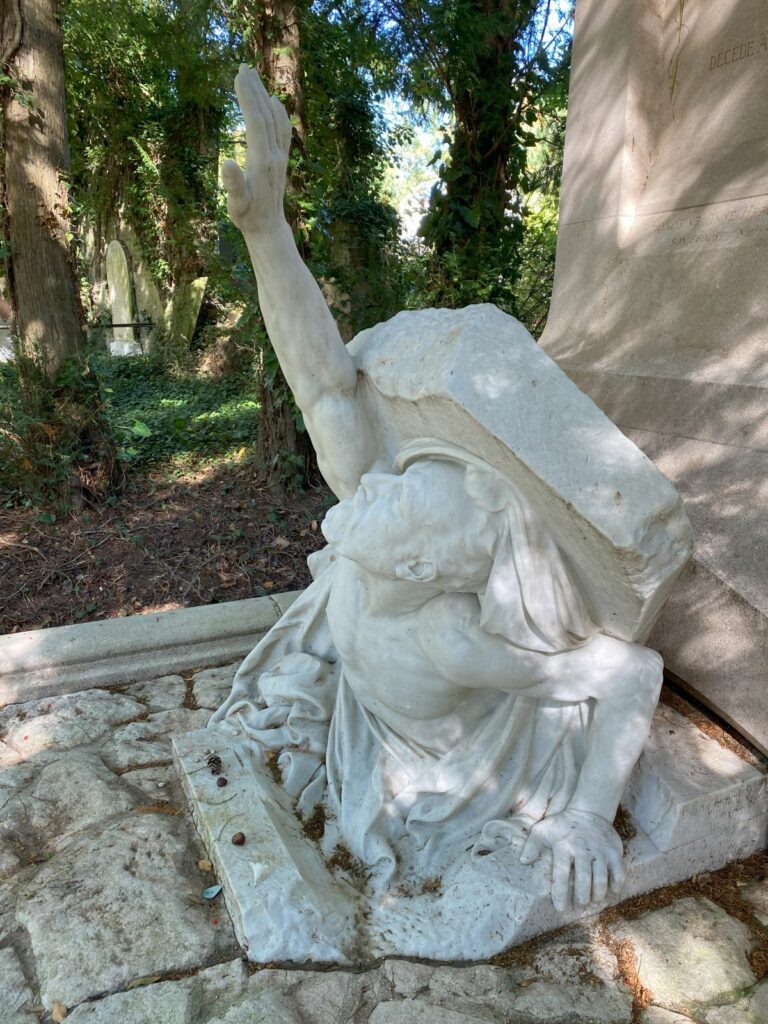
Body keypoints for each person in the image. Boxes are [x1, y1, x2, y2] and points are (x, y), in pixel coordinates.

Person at [213, 66, 664, 912]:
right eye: (399, 483)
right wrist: (267, 231)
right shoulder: (374, 527)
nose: (378, 487)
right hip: (374, 704)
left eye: (402, 497)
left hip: (434, 749)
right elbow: (325, 384)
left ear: (421, 568)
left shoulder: (450, 636)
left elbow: (634, 671)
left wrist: (589, 816)